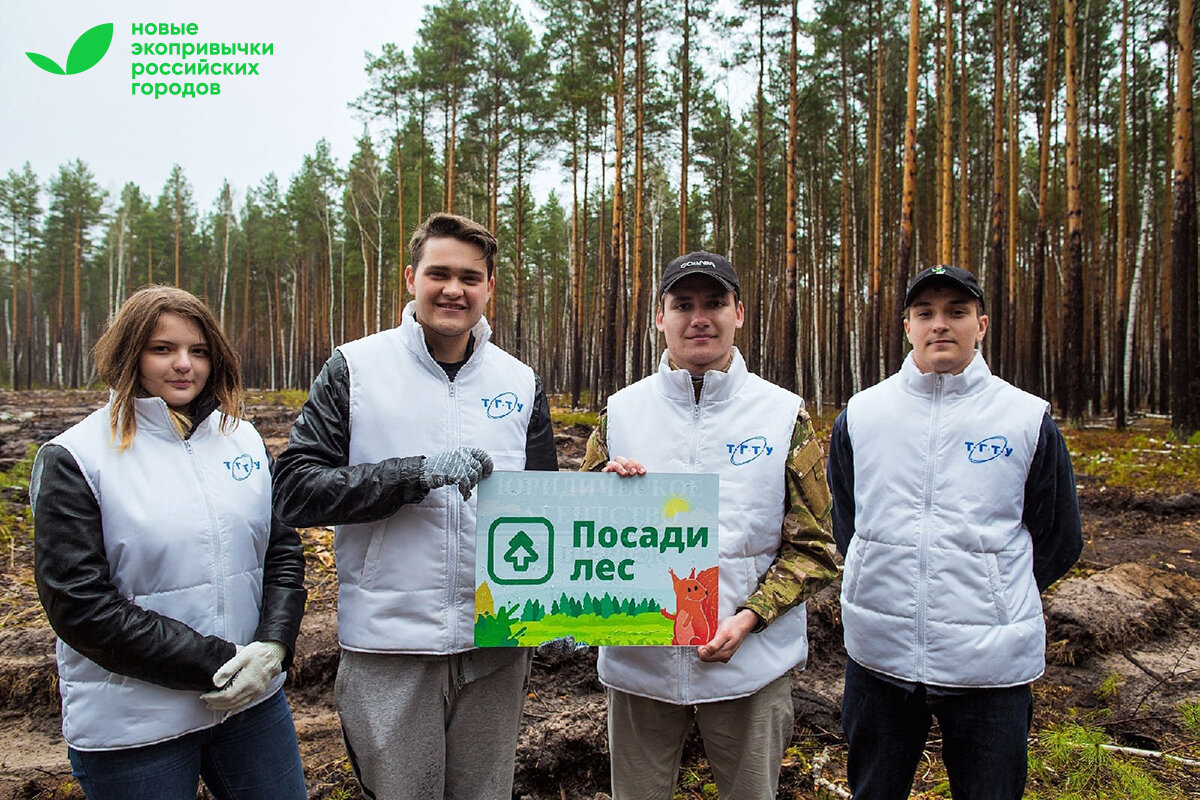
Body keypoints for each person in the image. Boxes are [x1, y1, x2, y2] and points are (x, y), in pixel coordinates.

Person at [272, 212, 557, 800]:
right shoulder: (355, 369)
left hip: (497, 646)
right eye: (440, 273)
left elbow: (543, 505)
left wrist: (562, 605)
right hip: (389, 645)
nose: (454, 289)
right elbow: (296, 488)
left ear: (489, 288)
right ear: (410, 278)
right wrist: (415, 474)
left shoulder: (521, 381)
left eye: (471, 277)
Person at [30, 286, 308, 800]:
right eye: (162, 349)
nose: (184, 365)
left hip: (252, 707)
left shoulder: (242, 440)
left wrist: (273, 646)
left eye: (198, 351)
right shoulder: (76, 458)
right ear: (129, 353)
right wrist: (222, 664)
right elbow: (79, 606)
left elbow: (282, 554)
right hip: (134, 726)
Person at [581, 251, 840, 800]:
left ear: (739, 313)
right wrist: (602, 490)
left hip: (750, 666)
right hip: (639, 667)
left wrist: (751, 617)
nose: (699, 317)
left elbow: (815, 548)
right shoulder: (621, 412)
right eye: (683, 304)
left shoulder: (782, 414)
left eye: (715, 303)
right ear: (660, 317)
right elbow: (576, 533)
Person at [826, 264, 1083, 800]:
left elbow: (1059, 536)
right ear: (907, 326)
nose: (940, 324)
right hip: (881, 655)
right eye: (926, 313)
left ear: (981, 325)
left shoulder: (1025, 419)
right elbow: (848, 522)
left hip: (990, 664)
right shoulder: (863, 415)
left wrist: (993, 593)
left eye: (956, 312)